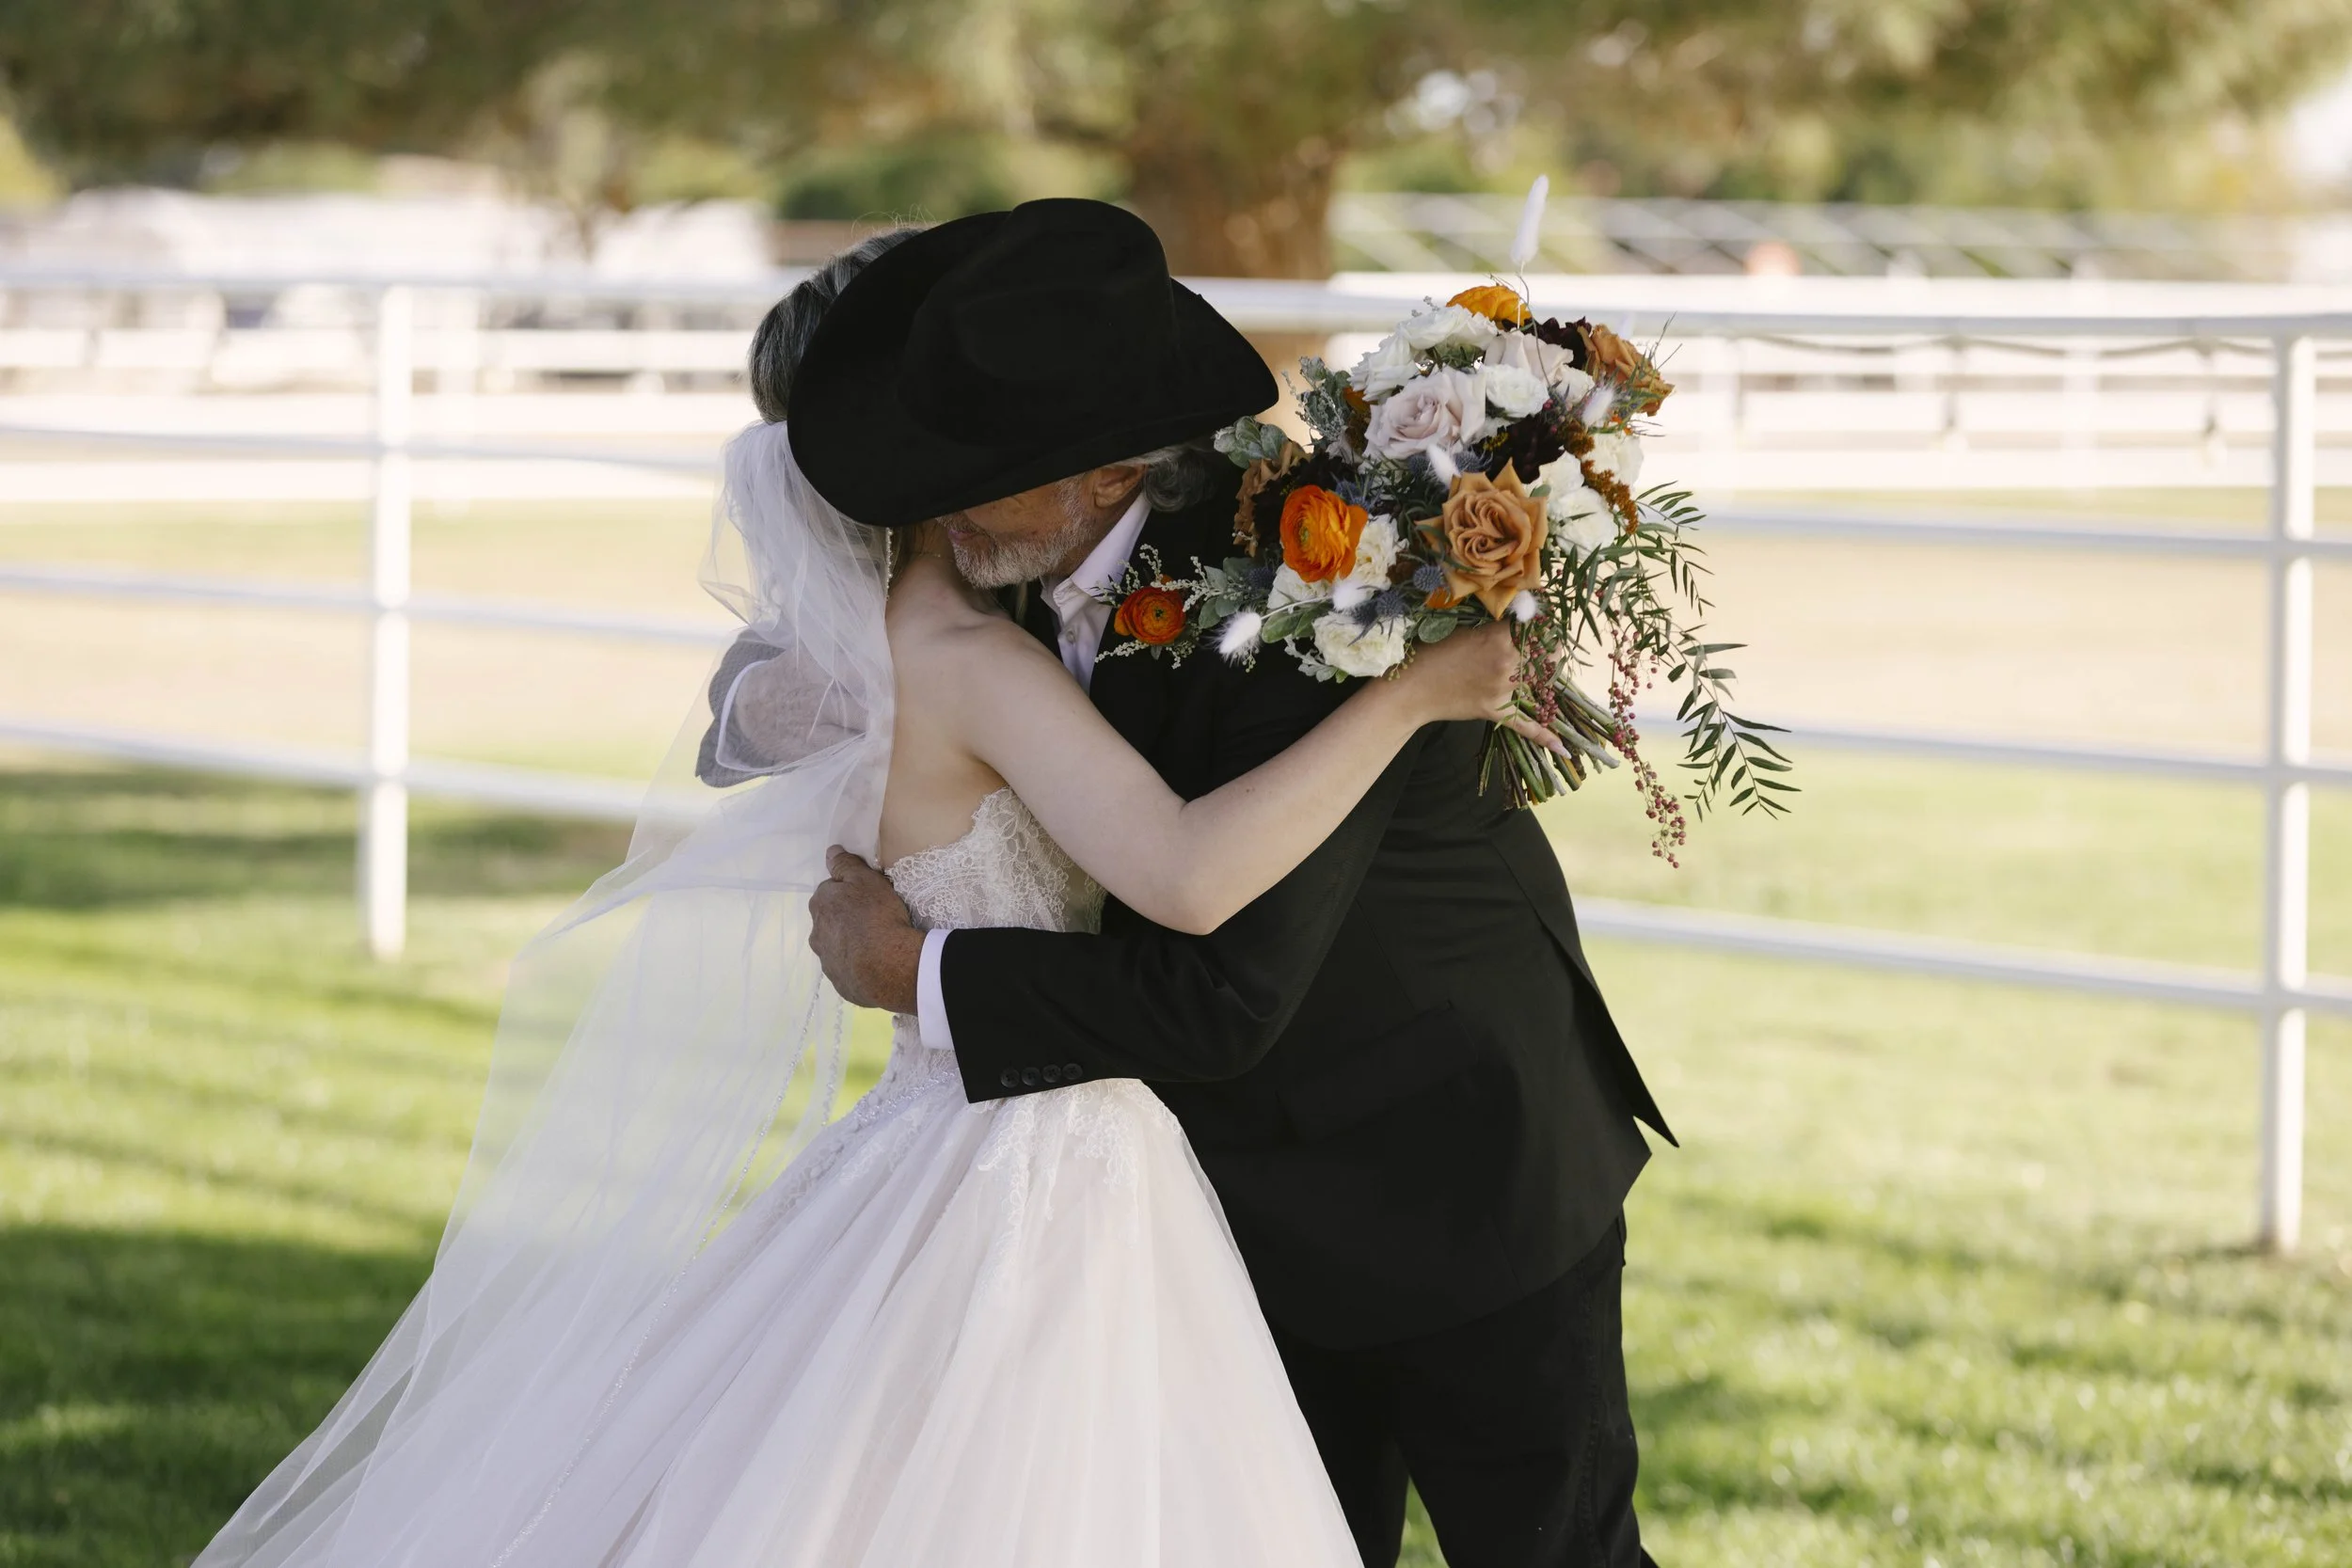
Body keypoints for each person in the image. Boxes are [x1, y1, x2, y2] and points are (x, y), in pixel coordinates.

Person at [190, 203, 1536, 1568]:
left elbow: (742, 720)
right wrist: (1421, 693)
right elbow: (1185, 875)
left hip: (1008, 1129)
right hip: (1046, 1152)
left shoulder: (857, 660)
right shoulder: (964, 649)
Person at [802, 198, 1672, 1568]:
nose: (942, 499)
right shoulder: (996, 573)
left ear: (1106, 469)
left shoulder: (1315, 593)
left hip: (1449, 1172)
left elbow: (1221, 991)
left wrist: (907, 969)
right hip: (1215, 1207)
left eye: (985, 466)